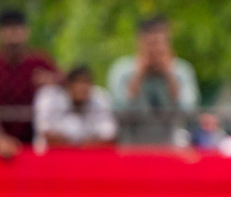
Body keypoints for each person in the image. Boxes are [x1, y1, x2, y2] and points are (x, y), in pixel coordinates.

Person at [107, 16, 200, 146]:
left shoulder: (181, 71)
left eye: (159, 43)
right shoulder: (122, 70)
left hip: (170, 148)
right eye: (150, 44)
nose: (155, 50)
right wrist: (138, 76)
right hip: (132, 148)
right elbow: (117, 113)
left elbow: (189, 111)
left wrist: (170, 76)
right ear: (139, 42)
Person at [0, 9, 58, 147]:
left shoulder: (39, 62)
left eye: (17, 27)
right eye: (9, 27)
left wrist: (52, 81)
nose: (13, 32)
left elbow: (70, 85)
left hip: (37, 140)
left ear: (26, 31)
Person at [33, 66, 116, 148]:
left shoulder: (99, 98)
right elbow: (45, 132)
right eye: (78, 82)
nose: (83, 88)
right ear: (69, 85)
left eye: (86, 83)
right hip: (51, 153)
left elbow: (109, 135)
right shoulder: (50, 97)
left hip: (88, 154)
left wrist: (81, 146)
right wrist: (74, 146)